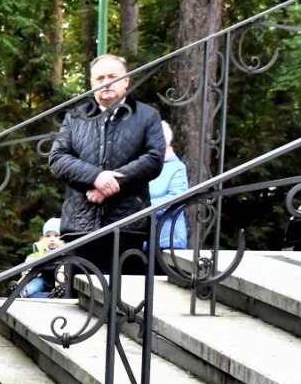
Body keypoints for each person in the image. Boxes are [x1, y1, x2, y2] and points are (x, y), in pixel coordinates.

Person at [48, 53, 165, 277]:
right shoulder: (75, 117)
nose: (106, 83)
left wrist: (109, 184)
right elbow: (57, 158)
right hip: (80, 224)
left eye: (113, 76)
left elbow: (153, 159)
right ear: (92, 84)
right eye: (100, 78)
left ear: (126, 80)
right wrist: (96, 177)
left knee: (125, 294)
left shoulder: (148, 115)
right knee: (79, 294)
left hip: (128, 223)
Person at [149, 120, 191, 252]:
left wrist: (142, 206)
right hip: (138, 240)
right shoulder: (140, 165)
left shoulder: (176, 168)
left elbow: (175, 201)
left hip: (167, 242)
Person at [22, 217, 67, 297]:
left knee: (61, 274)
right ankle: (22, 291)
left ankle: (56, 292)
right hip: (44, 279)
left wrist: (60, 277)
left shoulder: (65, 250)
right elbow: (31, 262)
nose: (52, 239)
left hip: (58, 279)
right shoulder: (41, 249)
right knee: (34, 283)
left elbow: (66, 265)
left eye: (56, 235)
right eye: (48, 236)